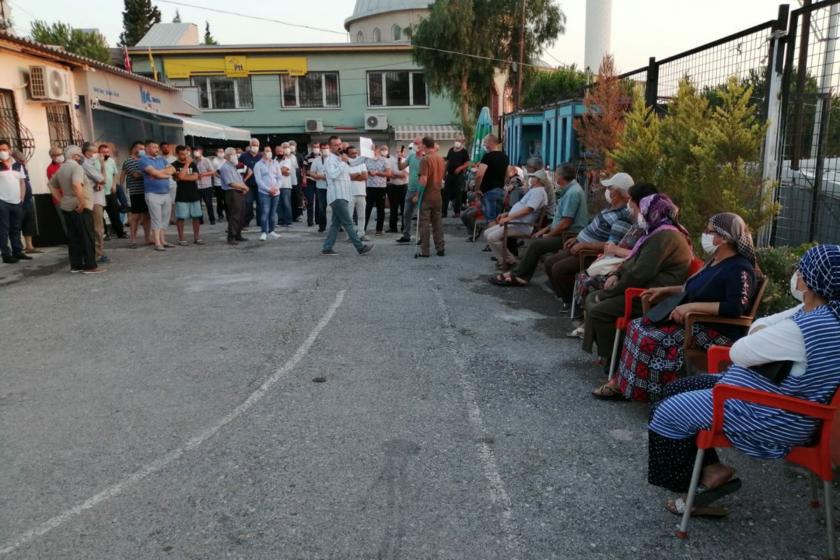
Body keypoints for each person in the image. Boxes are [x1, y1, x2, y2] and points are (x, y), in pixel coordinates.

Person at [647, 244, 840, 516]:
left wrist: (760, 331)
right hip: (771, 398)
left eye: (801, 269)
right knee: (676, 389)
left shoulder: (806, 326)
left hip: (770, 414)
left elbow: (740, 350)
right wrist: (761, 331)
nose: (796, 274)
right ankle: (713, 469)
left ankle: (695, 486)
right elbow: (758, 332)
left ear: (810, 281)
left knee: (666, 412)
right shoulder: (825, 314)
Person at [597, 212, 759, 403]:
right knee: (637, 327)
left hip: (714, 329)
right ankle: (625, 385)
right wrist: (665, 290)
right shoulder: (715, 260)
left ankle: (657, 397)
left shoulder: (739, 268)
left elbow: (735, 307)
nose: (705, 234)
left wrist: (691, 308)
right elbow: (691, 286)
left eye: (710, 231)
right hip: (692, 320)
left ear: (723, 238)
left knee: (652, 338)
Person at [582, 190, 693, 380]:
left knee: (599, 308)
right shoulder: (655, 233)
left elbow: (640, 273)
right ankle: (609, 356)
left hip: (652, 296)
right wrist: (617, 274)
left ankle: (615, 360)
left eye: (641, 210)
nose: (637, 214)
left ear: (653, 211)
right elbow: (633, 261)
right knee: (593, 298)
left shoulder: (665, 237)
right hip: (641, 288)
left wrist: (612, 291)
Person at [544, 172, 635, 307]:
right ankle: (564, 297)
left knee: (558, 269)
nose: (607, 191)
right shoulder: (610, 209)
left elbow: (611, 245)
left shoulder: (623, 217)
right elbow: (591, 228)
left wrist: (583, 245)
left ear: (617, 193)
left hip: (589, 253)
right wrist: (577, 238)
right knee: (549, 262)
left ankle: (572, 302)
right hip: (580, 245)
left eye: (610, 188)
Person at [490, 163, 589, 287]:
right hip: (563, 232)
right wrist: (544, 230)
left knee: (537, 245)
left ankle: (519, 275)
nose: (555, 176)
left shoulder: (572, 193)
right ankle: (520, 274)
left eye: (557, 174)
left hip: (569, 235)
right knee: (536, 243)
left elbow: (565, 223)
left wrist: (548, 235)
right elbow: (560, 220)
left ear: (561, 177)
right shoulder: (570, 190)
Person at [48, 145, 103, 273]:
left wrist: (61, 199)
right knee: (86, 236)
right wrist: (82, 202)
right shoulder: (76, 167)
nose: (81, 157)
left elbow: (51, 185)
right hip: (79, 206)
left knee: (73, 237)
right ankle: (90, 266)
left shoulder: (61, 168)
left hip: (67, 205)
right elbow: (76, 184)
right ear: (75, 156)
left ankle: (76, 265)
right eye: (79, 155)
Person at [483, 169, 549, 267]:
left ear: (538, 180)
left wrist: (508, 218)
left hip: (521, 225)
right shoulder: (535, 190)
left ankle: (509, 260)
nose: (531, 179)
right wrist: (507, 214)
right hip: (515, 222)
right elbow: (523, 207)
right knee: (487, 233)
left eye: (533, 177)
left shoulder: (538, 192)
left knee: (492, 237)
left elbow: (528, 210)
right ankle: (506, 259)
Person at [321, 136, 374, 256]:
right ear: (330, 147)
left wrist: (367, 153)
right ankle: (360, 247)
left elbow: (355, 162)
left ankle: (327, 247)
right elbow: (333, 175)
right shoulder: (330, 160)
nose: (339, 146)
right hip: (337, 196)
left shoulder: (341, 158)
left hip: (344, 196)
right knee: (348, 222)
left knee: (335, 224)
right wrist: (343, 163)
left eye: (340, 144)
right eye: (336, 145)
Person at [140, 140, 176, 252]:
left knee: (165, 218)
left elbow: (173, 169)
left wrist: (160, 174)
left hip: (166, 193)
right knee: (156, 218)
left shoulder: (162, 159)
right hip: (152, 193)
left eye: (157, 147)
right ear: (147, 149)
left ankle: (163, 240)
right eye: (153, 147)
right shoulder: (143, 160)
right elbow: (154, 173)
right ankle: (157, 242)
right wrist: (163, 174)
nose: (156, 149)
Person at [417, 136, 446, 257]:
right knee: (437, 222)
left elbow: (423, 179)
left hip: (427, 195)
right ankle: (440, 247)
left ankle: (425, 250)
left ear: (424, 145)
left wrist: (418, 194)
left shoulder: (425, 159)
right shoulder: (440, 158)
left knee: (424, 223)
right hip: (438, 194)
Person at [0, 140, 27, 264]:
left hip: (16, 201)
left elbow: (22, 182)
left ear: (10, 150)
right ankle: (6, 254)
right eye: (0, 150)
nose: (2, 152)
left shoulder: (17, 165)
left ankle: (18, 251)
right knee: (3, 229)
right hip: (2, 201)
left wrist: (22, 197)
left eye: (4, 149)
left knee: (16, 228)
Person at [81, 142, 109, 264]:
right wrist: (102, 165)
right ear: (87, 152)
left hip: (97, 197)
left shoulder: (90, 163)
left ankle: (97, 252)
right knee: (98, 228)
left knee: (97, 227)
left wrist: (99, 181)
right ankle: (98, 254)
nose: (96, 154)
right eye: (94, 152)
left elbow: (100, 180)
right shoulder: (86, 164)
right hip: (93, 199)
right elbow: (103, 179)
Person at [121, 141, 151, 248]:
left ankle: (148, 238)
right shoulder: (129, 161)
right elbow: (136, 174)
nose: (142, 150)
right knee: (136, 217)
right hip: (135, 192)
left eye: (144, 148)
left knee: (147, 216)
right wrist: (151, 171)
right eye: (140, 148)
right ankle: (133, 240)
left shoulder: (145, 160)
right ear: (134, 148)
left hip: (147, 191)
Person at [171, 145, 203, 246]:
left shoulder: (193, 164)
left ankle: (197, 238)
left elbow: (195, 177)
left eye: (186, 154)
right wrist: (187, 165)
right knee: (181, 218)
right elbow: (179, 177)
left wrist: (184, 176)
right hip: (181, 195)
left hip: (194, 194)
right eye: (182, 154)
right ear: (177, 154)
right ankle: (182, 239)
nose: (184, 156)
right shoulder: (174, 165)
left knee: (196, 217)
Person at [473, 134, 509, 223]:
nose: (484, 144)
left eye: (485, 142)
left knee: (490, 219)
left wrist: (477, 189)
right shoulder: (505, 157)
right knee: (498, 219)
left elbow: (479, 175)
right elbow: (507, 175)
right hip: (500, 191)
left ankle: (491, 236)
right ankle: (497, 236)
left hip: (488, 192)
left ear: (491, 142)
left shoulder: (487, 157)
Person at [396, 137, 425, 244]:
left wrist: (419, 191)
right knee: (406, 214)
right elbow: (400, 167)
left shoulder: (425, 158)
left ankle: (422, 237)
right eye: (414, 143)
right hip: (410, 188)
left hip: (421, 190)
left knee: (422, 215)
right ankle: (406, 235)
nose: (415, 145)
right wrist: (399, 159)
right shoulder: (411, 156)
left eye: (417, 143)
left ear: (423, 145)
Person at [11, 150, 40, 255]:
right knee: (17, 223)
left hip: (28, 199)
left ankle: (29, 245)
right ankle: (18, 247)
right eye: (21, 160)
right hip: (18, 199)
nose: (24, 162)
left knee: (29, 222)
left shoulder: (22, 167)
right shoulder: (14, 166)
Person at [219, 147, 250, 245]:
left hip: (239, 192)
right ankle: (231, 237)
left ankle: (238, 235)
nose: (235, 155)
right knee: (234, 215)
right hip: (232, 193)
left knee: (241, 214)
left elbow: (239, 180)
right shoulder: (225, 167)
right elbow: (231, 183)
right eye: (233, 154)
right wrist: (244, 188)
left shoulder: (233, 166)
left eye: (235, 153)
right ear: (227, 156)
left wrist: (243, 187)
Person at [97, 144, 125, 241]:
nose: (106, 154)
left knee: (114, 213)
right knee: (100, 215)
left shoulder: (111, 161)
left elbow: (114, 174)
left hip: (110, 191)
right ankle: (105, 234)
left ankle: (120, 232)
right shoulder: (95, 161)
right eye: (103, 152)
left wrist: (114, 185)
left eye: (107, 152)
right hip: (99, 193)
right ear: (99, 152)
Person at [254, 146, 281, 241]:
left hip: (276, 192)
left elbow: (279, 177)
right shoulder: (258, 165)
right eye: (267, 151)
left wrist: (276, 188)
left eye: (270, 151)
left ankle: (272, 231)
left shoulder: (276, 163)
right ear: (262, 153)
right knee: (265, 212)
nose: (269, 153)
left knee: (273, 213)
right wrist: (268, 189)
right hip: (264, 192)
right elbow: (258, 180)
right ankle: (264, 232)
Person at [364, 144, 391, 236]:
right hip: (370, 187)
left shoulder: (384, 160)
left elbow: (389, 173)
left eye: (373, 150)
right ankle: (362, 228)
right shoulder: (366, 160)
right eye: (370, 150)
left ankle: (379, 229)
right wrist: (368, 172)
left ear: (377, 150)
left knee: (380, 209)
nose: (372, 152)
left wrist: (378, 173)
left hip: (381, 187)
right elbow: (363, 171)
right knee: (367, 208)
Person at [345, 144, 369, 241]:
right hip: (349, 193)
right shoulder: (345, 163)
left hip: (361, 193)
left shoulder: (362, 163)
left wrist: (354, 176)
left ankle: (361, 234)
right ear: (347, 154)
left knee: (362, 215)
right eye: (352, 153)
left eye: (356, 153)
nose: (355, 155)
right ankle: (349, 236)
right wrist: (358, 175)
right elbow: (346, 177)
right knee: (349, 217)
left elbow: (365, 176)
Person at [443, 137, 470, 218]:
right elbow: (447, 162)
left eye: (459, 140)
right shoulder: (451, 150)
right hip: (449, 174)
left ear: (463, 142)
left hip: (459, 175)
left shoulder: (464, 151)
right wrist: (444, 172)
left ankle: (457, 212)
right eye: (456, 140)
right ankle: (443, 212)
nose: (457, 142)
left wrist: (460, 168)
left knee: (458, 193)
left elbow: (467, 163)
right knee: (445, 193)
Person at [239, 138, 261, 229]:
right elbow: (238, 168)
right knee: (248, 203)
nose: (255, 147)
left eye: (256, 145)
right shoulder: (243, 156)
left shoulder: (261, 156)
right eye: (253, 145)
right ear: (250, 146)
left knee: (261, 204)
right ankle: (247, 220)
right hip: (247, 184)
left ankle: (260, 222)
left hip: (260, 184)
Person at [308, 142, 329, 232]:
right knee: (321, 207)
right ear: (320, 149)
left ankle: (338, 226)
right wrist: (317, 176)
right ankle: (322, 225)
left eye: (326, 148)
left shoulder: (334, 159)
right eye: (323, 148)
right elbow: (311, 172)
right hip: (320, 187)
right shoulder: (316, 160)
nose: (325, 150)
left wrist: (327, 176)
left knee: (335, 207)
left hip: (332, 187)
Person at [387, 145, 408, 233]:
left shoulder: (406, 161)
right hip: (392, 186)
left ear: (404, 153)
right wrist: (396, 175)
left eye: (400, 151)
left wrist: (395, 175)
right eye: (397, 151)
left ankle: (404, 227)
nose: (399, 153)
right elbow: (389, 174)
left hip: (403, 186)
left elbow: (405, 175)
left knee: (404, 208)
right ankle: (393, 227)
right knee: (393, 208)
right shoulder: (390, 161)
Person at [194, 147, 217, 225]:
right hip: (196, 186)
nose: (196, 152)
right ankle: (200, 220)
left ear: (201, 151)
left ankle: (212, 219)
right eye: (194, 151)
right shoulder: (193, 161)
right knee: (198, 204)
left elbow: (212, 172)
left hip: (206, 186)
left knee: (209, 204)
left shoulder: (206, 160)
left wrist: (203, 174)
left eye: (197, 151)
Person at [47, 146, 67, 235]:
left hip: (73, 196)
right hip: (60, 199)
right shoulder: (50, 168)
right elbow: (57, 184)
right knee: (65, 221)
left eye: (61, 153)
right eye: (57, 154)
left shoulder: (69, 163)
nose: (60, 156)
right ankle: (71, 240)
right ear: (52, 156)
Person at [276, 143, 294, 228]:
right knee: (278, 204)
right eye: (278, 151)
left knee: (286, 204)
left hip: (286, 185)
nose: (279, 153)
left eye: (281, 151)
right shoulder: (274, 160)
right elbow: (282, 171)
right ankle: (280, 221)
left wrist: (276, 171)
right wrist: (282, 172)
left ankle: (288, 221)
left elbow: (284, 169)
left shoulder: (287, 160)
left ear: (283, 152)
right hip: (276, 186)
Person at [160, 142, 177, 225]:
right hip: (162, 182)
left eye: (167, 147)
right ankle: (165, 218)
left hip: (173, 182)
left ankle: (173, 218)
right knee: (164, 201)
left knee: (173, 200)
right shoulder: (158, 159)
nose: (165, 149)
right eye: (163, 147)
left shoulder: (174, 159)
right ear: (161, 149)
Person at [303, 144, 319, 227]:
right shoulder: (308, 157)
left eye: (317, 147)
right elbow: (304, 168)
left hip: (319, 180)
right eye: (314, 147)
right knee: (310, 201)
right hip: (310, 181)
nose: (316, 148)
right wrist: (304, 178)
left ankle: (318, 220)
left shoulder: (322, 157)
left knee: (319, 202)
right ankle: (310, 221)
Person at [289, 140, 305, 222]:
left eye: (293, 145)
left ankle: (299, 214)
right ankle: (291, 215)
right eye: (290, 145)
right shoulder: (286, 156)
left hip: (298, 179)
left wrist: (304, 178)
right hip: (289, 180)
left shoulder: (299, 155)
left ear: (296, 146)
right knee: (290, 197)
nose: (292, 146)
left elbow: (303, 167)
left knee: (298, 197)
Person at [211, 148, 227, 221]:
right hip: (218, 184)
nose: (221, 153)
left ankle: (228, 214)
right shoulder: (214, 161)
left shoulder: (226, 160)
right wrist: (221, 176)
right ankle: (220, 215)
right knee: (219, 200)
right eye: (219, 151)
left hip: (227, 184)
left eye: (222, 151)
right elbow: (213, 172)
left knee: (227, 200)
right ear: (216, 152)